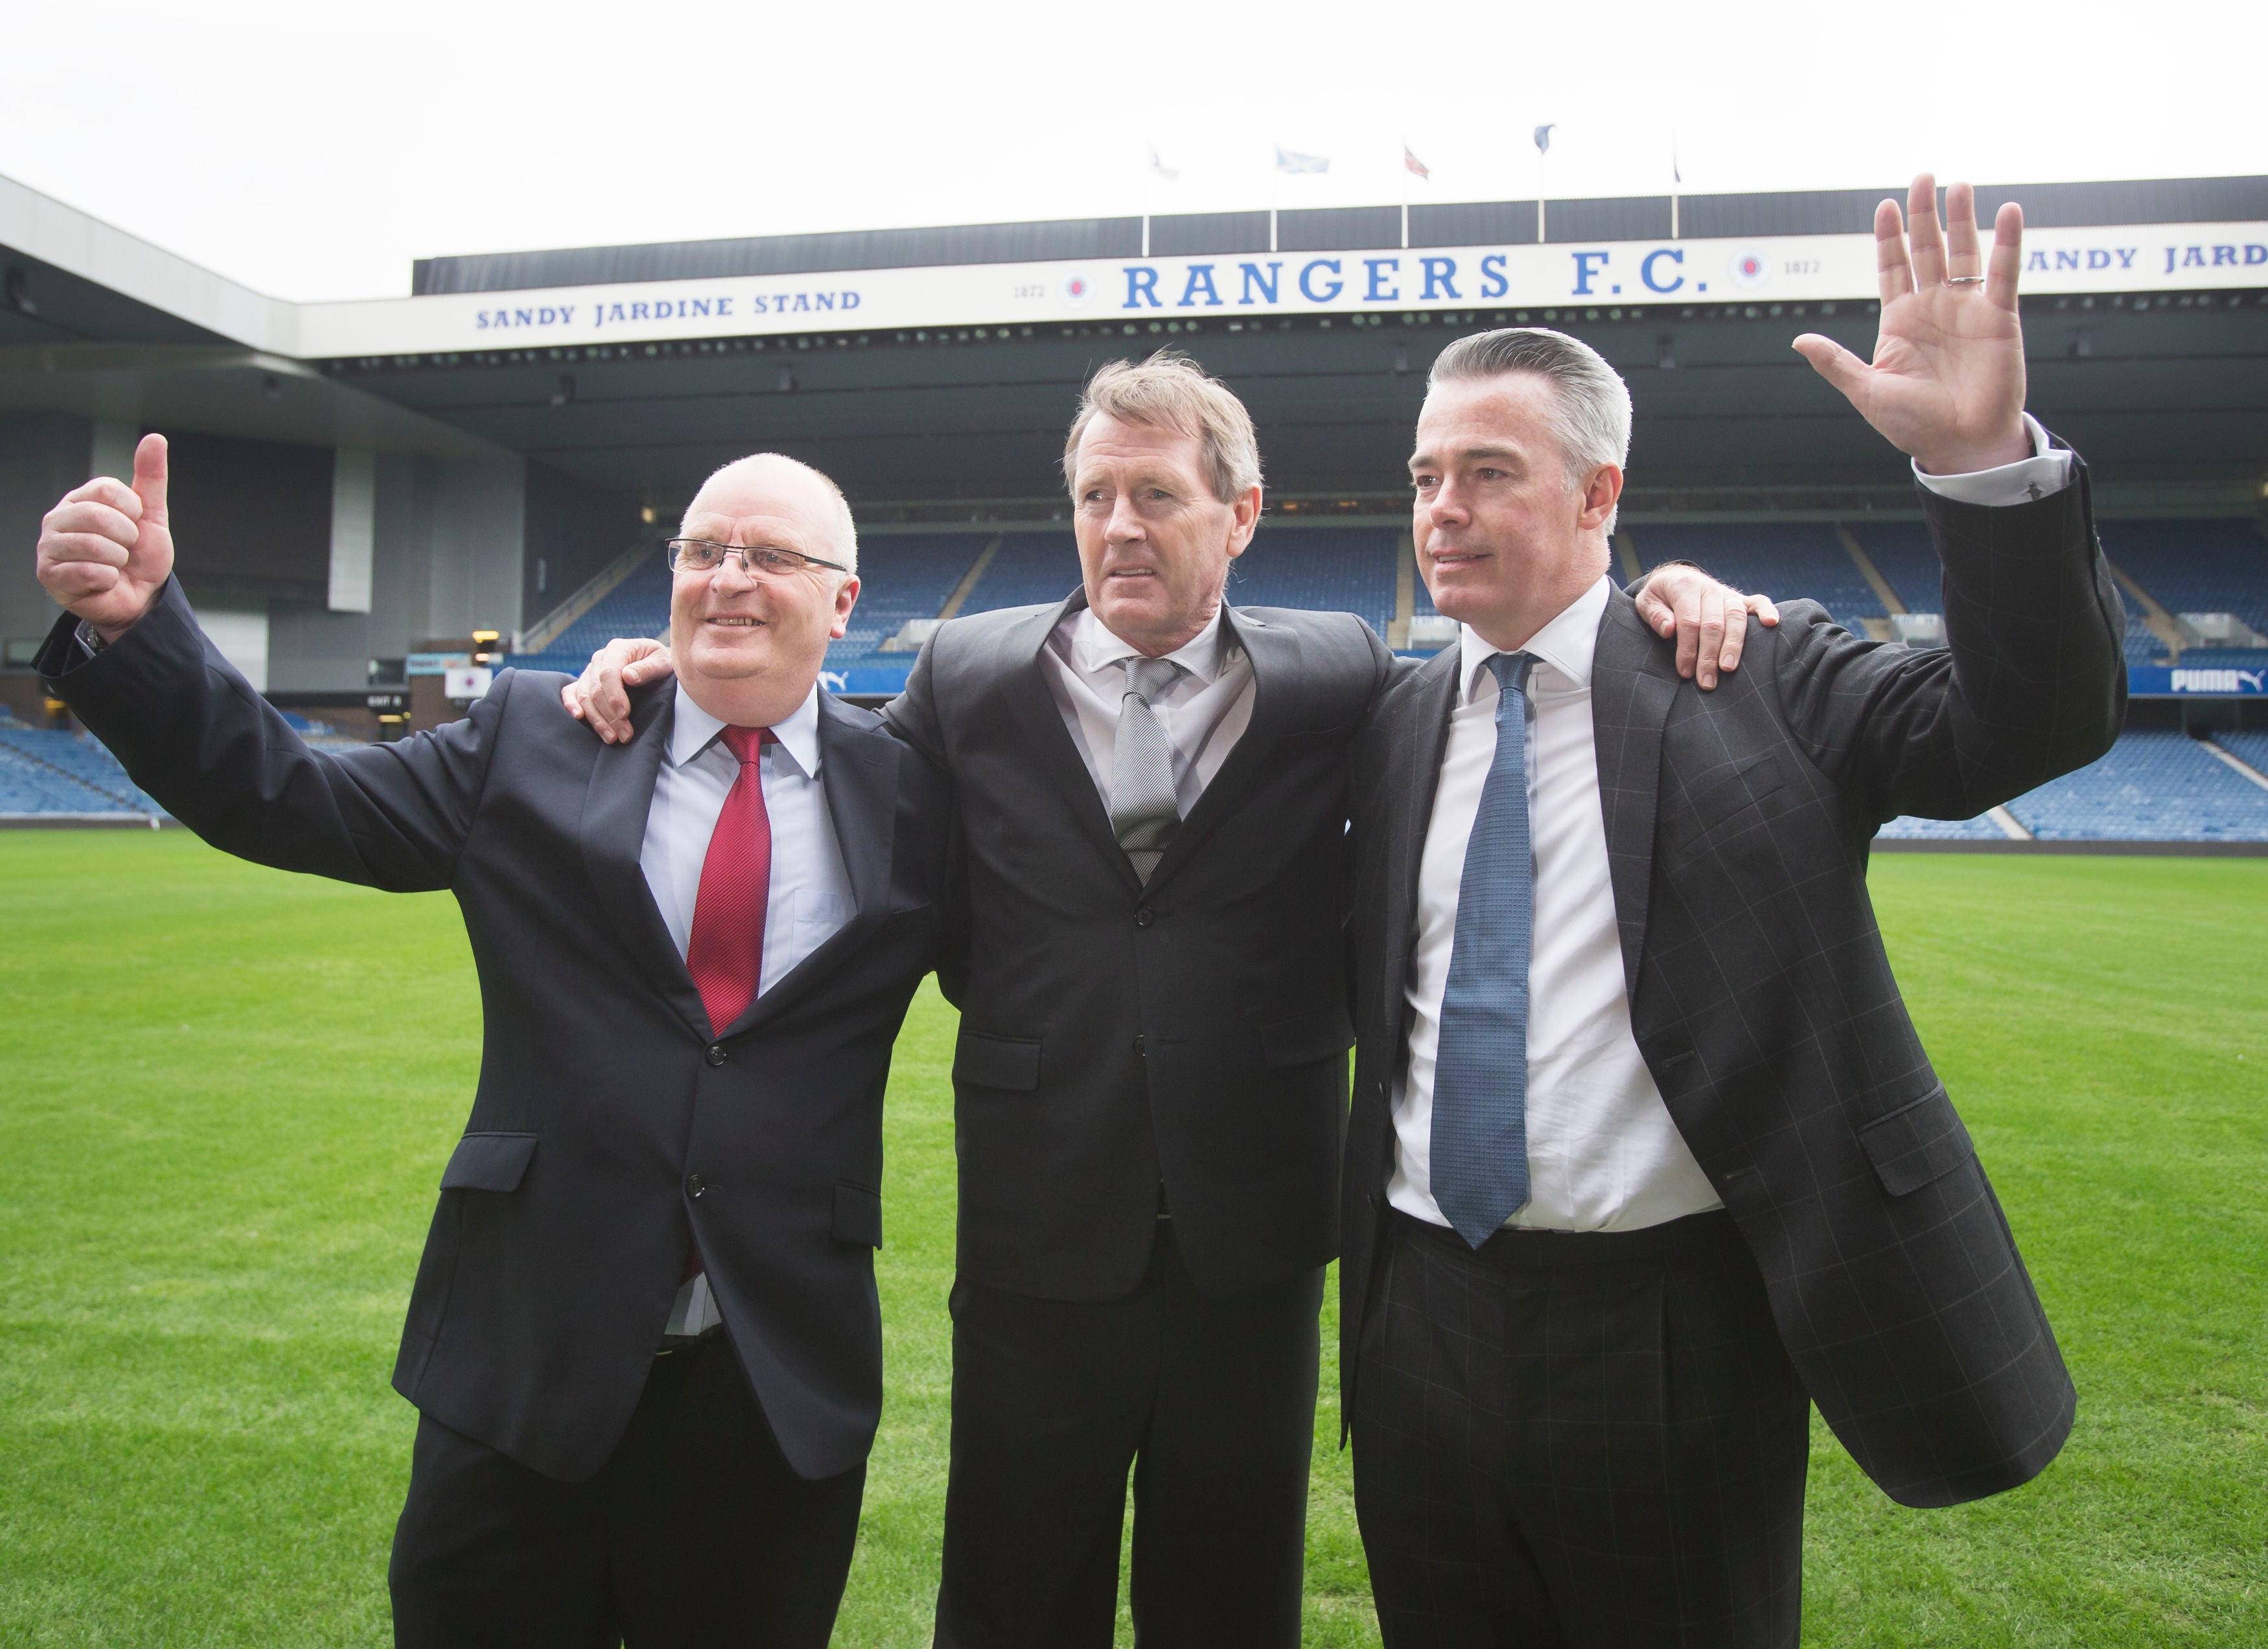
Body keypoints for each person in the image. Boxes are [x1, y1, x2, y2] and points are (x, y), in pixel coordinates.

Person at [566, 357, 1766, 1647]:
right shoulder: (968, 676)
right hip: (1039, 1219)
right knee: (1016, 1590)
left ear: (1240, 515)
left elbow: (1533, 648)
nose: (1119, 527)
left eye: (1155, 494)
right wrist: (676, 669)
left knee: (1230, 1593)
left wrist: (1665, 592)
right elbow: (840, 791)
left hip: (1251, 1235)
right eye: (1093, 496)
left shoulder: (1338, 674)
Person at [1337, 177, 2126, 1648]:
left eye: (1491, 472)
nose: (1443, 508)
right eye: (1427, 473)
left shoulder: (1758, 669)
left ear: (1599, 496)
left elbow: (2025, 725)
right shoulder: (1383, 721)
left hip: (1672, 1329)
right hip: (1417, 1316)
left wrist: (1974, 463)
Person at [32, 444, 955, 1648]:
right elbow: (289, 794)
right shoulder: (540, 732)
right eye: (702, 551)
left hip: (771, 1390)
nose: (729, 578)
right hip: (523, 1363)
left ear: (844, 603)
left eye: (770, 556)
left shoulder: (918, 798)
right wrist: (138, 622)